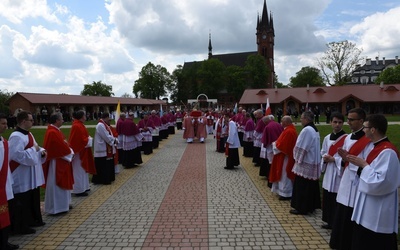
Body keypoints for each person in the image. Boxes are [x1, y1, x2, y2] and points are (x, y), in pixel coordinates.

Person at [348, 114, 400, 250]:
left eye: (365, 127)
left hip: (378, 209)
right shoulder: (375, 148)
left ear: (373, 130)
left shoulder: (388, 152)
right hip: (369, 207)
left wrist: (364, 166)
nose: (363, 130)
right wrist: (362, 166)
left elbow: (382, 182)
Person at [329, 108, 373, 250]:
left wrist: (349, 160)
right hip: (346, 178)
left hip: (358, 180)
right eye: (348, 119)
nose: (348, 122)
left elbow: (367, 161)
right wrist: (343, 160)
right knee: (342, 210)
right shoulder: (348, 138)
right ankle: (339, 242)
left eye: (351, 120)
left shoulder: (368, 141)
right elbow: (345, 159)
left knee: (352, 211)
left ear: (361, 121)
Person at [8, 111, 46, 235]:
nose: (33, 121)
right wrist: (33, 150)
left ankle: (33, 220)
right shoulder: (16, 136)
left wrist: (41, 150)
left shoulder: (28, 134)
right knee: (22, 199)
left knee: (31, 197)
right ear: (23, 121)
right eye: (31, 120)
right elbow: (16, 155)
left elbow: (35, 147)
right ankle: (21, 226)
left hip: (29, 174)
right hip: (20, 174)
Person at [290, 111, 321, 215]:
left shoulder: (307, 130)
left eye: (302, 118)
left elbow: (302, 146)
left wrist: (297, 159)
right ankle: (310, 206)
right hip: (313, 160)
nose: (300, 120)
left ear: (307, 119)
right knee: (310, 186)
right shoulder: (314, 129)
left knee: (302, 186)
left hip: (305, 162)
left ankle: (301, 207)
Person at [42, 113, 74, 215]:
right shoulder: (52, 132)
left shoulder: (55, 130)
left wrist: (69, 151)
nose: (63, 120)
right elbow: (56, 148)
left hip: (61, 159)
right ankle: (57, 208)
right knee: (57, 185)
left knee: (61, 184)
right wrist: (70, 153)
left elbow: (63, 144)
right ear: (56, 121)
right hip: (57, 162)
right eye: (62, 119)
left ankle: (63, 205)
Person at [320, 112, 347, 229]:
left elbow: (347, 157)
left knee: (336, 197)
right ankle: (329, 221)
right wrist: (325, 158)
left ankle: (336, 223)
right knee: (328, 197)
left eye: (340, 122)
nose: (337, 125)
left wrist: (334, 159)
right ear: (331, 122)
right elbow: (323, 151)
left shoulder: (347, 138)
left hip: (338, 172)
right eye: (335, 122)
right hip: (329, 171)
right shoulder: (327, 138)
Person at [0, 113, 19, 250]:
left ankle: (4, 241)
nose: (6, 126)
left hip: (5, 183)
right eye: (3, 124)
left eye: (6, 123)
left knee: (5, 215)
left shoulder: (4, 141)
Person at [270, 116, 297, 200]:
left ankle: (286, 193)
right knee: (282, 174)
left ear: (286, 122)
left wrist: (275, 145)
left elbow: (284, 146)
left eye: (282, 121)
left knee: (285, 175)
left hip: (286, 158)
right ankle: (281, 191)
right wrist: (276, 143)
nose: (281, 122)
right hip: (282, 156)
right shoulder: (288, 129)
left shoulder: (289, 131)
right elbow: (281, 142)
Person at [68, 110, 96, 197]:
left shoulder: (80, 124)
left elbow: (84, 137)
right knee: (78, 171)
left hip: (83, 151)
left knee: (83, 171)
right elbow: (78, 140)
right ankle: (78, 189)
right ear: (81, 116)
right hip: (78, 152)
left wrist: (88, 139)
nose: (86, 117)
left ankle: (84, 187)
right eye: (85, 115)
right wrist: (89, 139)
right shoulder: (77, 126)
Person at [92, 113, 118, 185]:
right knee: (102, 165)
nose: (109, 119)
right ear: (105, 118)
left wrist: (113, 139)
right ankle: (102, 179)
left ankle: (108, 178)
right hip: (101, 149)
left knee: (106, 164)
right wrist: (114, 140)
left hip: (105, 147)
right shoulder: (100, 125)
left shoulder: (104, 125)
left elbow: (109, 135)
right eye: (108, 118)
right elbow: (106, 136)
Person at [259, 115, 283, 186]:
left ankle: (271, 181)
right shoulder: (278, 124)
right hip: (279, 146)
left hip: (271, 148)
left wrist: (265, 145)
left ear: (266, 121)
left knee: (271, 164)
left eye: (264, 123)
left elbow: (265, 141)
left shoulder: (268, 127)